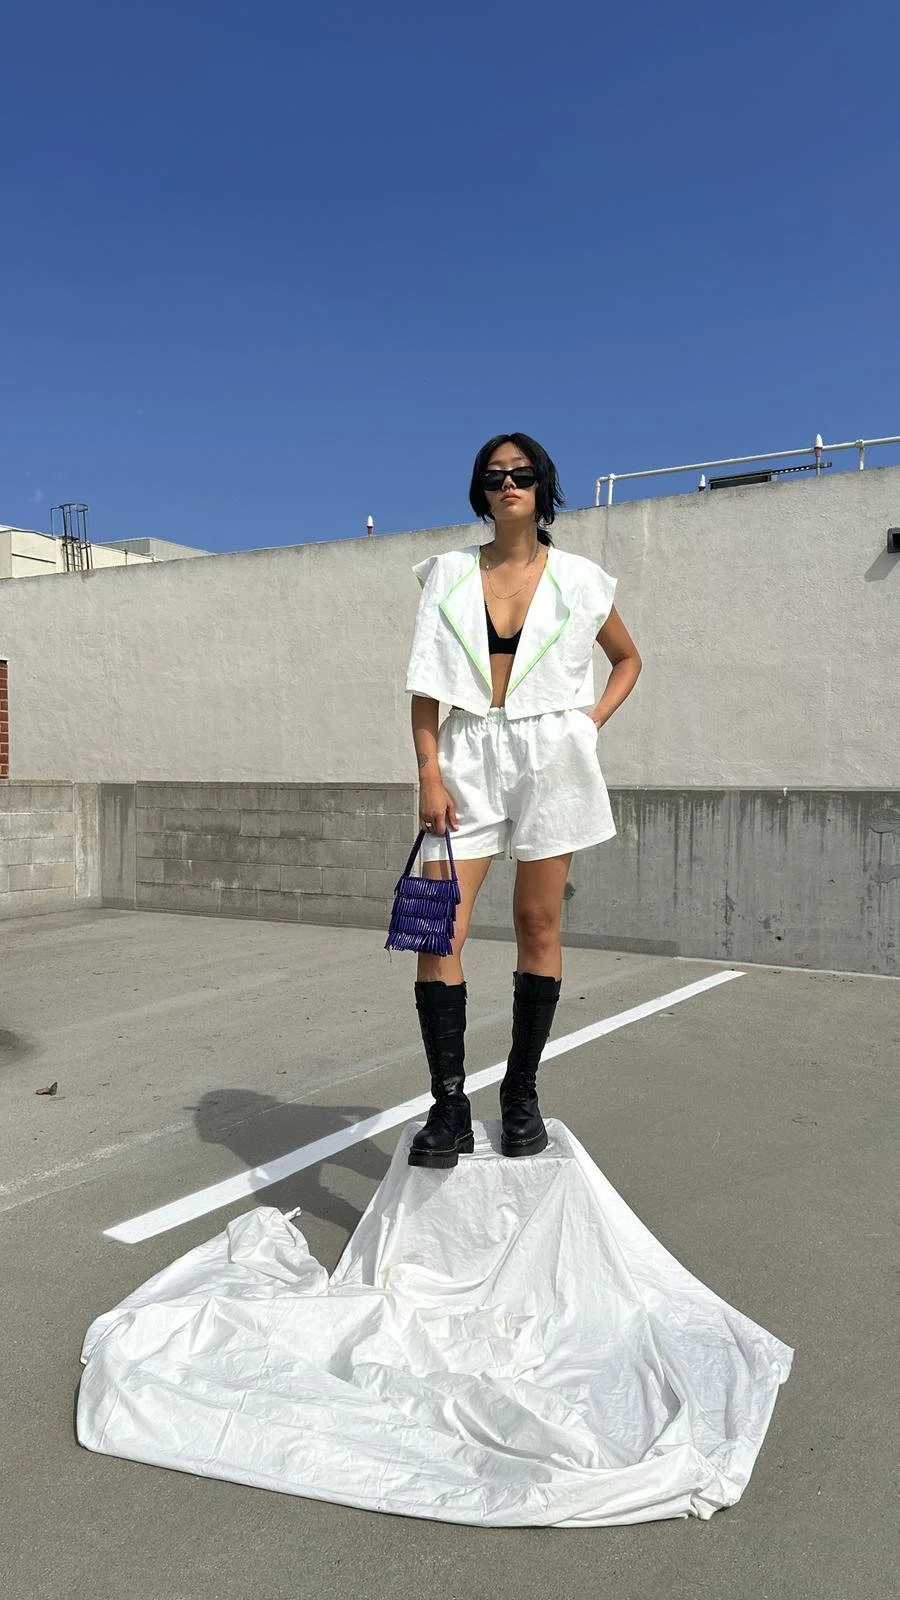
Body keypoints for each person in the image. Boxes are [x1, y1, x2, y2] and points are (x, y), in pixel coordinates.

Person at [404, 432, 641, 1169]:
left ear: (543, 488)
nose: (509, 483)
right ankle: (449, 1107)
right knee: (434, 928)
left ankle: (521, 1093)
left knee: (539, 921)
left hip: (551, 753)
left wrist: (587, 725)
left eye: (522, 473)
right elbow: (425, 689)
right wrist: (429, 774)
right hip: (468, 750)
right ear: (480, 490)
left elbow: (628, 660)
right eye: (495, 474)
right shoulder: (445, 574)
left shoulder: (579, 578)